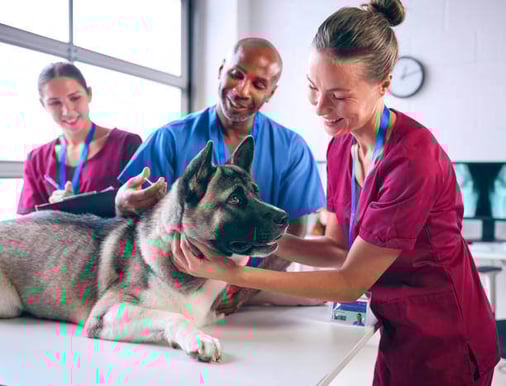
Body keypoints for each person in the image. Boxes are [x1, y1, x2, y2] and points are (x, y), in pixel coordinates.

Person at [172, 1, 500, 385]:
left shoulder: (413, 159)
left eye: (339, 96)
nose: (320, 108)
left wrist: (229, 273)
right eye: (314, 88)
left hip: (445, 334)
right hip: (396, 328)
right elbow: (337, 247)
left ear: (384, 85)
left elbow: (349, 280)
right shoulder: (341, 147)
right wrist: (255, 238)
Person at [116, 38, 326, 311]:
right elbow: (130, 216)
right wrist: (122, 202)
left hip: (251, 291)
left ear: (271, 92)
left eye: (258, 84)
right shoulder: (170, 138)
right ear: (220, 70)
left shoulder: (292, 150)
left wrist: (250, 286)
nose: (242, 90)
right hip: (172, 292)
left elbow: (297, 226)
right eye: (236, 74)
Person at [17, 62, 142, 215]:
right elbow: (27, 222)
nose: (67, 110)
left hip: (113, 238)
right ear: (43, 105)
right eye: (55, 103)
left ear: (89, 94)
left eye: (75, 98)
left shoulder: (126, 145)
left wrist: (79, 207)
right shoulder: (37, 159)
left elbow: (144, 211)